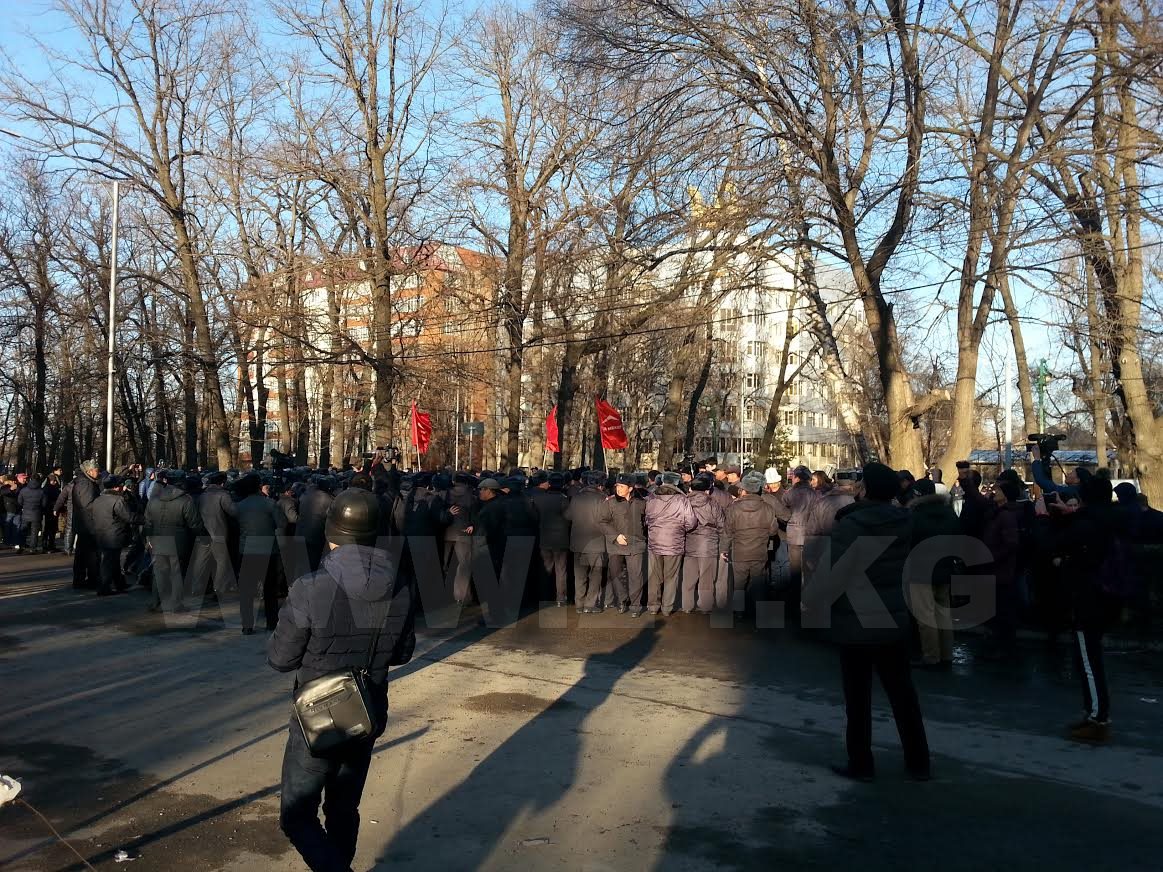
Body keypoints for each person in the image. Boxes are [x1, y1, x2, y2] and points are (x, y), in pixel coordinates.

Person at [269, 488, 416, 872]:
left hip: (317, 717)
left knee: (297, 815)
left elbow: (281, 658)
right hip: (367, 710)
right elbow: (403, 653)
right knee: (343, 807)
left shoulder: (310, 586)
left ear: (330, 530)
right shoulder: (400, 586)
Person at [802, 462, 930, 782]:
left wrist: (811, 600)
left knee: (858, 699)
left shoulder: (853, 524)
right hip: (893, 616)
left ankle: (861, 763)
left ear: (866, 489)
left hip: (856, 621)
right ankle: (919, 762)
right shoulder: (905, 521)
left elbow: (833, 572)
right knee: (903, 695)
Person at [1061, 476, 1131, 743]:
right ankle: (1095, 713)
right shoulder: (1114, 520)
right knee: (1093, 658)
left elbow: (1061, 547)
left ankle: (1097, 717)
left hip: (1088, 598)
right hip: (1108, 596)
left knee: (1089, 661)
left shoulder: (1086, 524)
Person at [907, 479, 959, 670]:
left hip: (920, 570)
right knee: (944, 613)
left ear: (917, 494)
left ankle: (931, 655)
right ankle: (946, 654)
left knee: (925, 616)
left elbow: (908, 540)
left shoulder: (915, 515)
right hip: (944, 567)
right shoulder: (949, 513)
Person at [144, 470, 203, 614]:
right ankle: (176, 604)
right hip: (178, 541)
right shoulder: (186, 500)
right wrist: (202, 537)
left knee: (159, 572)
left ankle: (156, 603)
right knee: (177, 573)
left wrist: (148, 539)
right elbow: (195, 524)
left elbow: (148, 523)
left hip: (158, 540)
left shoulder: (154, 499)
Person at [720, 471, 779, 613]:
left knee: (739, 584)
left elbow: (727, 531)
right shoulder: (768, 508)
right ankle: (757, 610)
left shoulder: (734, 508)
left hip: (740, 552)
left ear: (744, 490)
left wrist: (724, 549)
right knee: (758, 583)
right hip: (760, 552)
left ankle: (739, 611)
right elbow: (773, 531)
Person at [644, 472, 697, 616]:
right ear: (677, 483)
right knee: (671, 577)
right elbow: (691, 522)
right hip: (674, 543)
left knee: (654, 576)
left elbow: (647, 519)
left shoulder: (651, 497)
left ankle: (653, 606)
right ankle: (667, 608)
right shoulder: (682, 499)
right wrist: (679, 529)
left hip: (655, 542)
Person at [983, 479, 1024, 660]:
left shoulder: (1005, 516)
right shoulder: (999, 513)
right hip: (999, 569)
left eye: (998, 491)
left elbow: (1011, 544)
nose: (995, 492)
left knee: (1002, 610)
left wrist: (992, 557)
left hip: (1001, 570)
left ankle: (1004, 646)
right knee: (1000, 609)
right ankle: (1002, 645)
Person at [235, 473, 281, 633]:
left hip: (247, 550)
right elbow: (281, 523)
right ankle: (272, 622)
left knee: (246, 590)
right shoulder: (270, 504)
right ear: (259, 486)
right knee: (270, 589)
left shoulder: (239, 506)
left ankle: (247, 625)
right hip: (268, 549)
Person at [600, 473, 648, 616]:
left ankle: (635, 606)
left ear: (630, 488)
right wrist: (616, 536)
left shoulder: (641, 502)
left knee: (636, 576)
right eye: (617, 486)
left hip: (636, 544)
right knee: (616, 575)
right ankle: (621, 600)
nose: (618, 489)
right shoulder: (610, 502)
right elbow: (602, 521)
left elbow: (646, 521)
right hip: (616, 545)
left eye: (622, 486)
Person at [564, 471, 609, 613]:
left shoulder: (577, 497)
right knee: (595, 575)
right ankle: (590, 604)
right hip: (596, 542)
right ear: (601, 484)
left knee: (579, 575)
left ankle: (579, 603)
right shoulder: (603, 498)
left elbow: (568, 516)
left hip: (578, 542)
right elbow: (607, 519)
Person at [682, 473, 725, 614]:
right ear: (707, 490)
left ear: (691, 489)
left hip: (689, 544)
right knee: (706, 579)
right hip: (709, 545)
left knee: (688, 579)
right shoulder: (713, 504)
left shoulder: (684, 502)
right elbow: (722, 525)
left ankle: (687, 605)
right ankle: (705, 606)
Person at [528, 471, 570, 607]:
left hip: (545, 538)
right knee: (561, 570)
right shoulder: (564, 499)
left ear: (550, 483)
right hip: (561, 540)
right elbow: (569, 518)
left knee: (546, 569)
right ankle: (560, 598)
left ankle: (544, 596)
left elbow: (534, 517)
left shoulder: (540, 499)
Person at [90, 476, 137, 596]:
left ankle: (119, 583)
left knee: (113, 560)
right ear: (116, 487)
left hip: (101, 534)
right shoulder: (118, 500)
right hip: (114, 535)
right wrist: (144, 519)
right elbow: (128, 517)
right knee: (109, 561)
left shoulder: (98, 499)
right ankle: (103, 587)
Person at [69, 460, 102, 590]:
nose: (98, 472)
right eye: (96, 470)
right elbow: (88, 505)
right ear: (90, 471)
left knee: (82, 554)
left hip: (83, 523)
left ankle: (80, 579)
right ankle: (90, 579)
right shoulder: (86, 484)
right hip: (88, 524)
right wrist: (102, 505)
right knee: (90, 554)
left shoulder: (83, 482)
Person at [17, 475, 45, 554]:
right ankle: (32, 548)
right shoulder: (41, 491)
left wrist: (24, 507)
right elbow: (44, 504)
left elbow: (19, 501)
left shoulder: (23, 490)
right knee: (34, 532)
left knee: (23, 531)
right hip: (36, 514)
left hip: (25, 513)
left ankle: (21, 547)